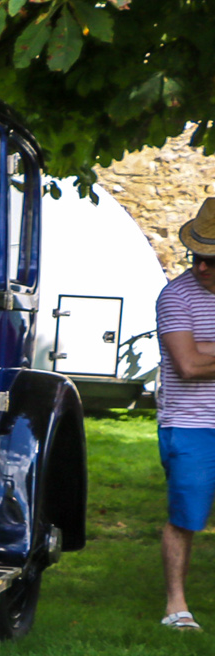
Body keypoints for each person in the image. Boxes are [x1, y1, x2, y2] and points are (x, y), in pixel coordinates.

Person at [154, 197, 215, 631]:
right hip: (190, 424)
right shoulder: (176, 296)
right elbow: (188, 366)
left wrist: (204, 348)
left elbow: (199, 355)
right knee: (185, 517)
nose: (201, 268)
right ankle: (176, 606)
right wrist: (198, 352)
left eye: (211, 260)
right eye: (196, 257)